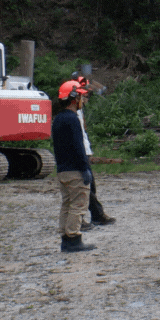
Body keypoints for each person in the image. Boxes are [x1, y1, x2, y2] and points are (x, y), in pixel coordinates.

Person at [52, 80, 96, 252]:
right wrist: (84, 168)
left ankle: (65, 237)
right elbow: (78, 147)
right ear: (73, 97)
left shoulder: (58, 119)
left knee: (67, 204)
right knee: (78, 205)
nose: (83, 100)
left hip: (62, 170)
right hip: (75, 170)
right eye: (81, 96)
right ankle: (73, 239)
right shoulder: (72, 119)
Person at [71, 72, 115, 228]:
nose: (86, 97)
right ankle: (90, 216)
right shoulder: (71, 114)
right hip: (79, 153)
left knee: (90, 185)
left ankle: (96, 215)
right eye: (84, 94)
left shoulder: (79, 111)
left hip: (84, 151)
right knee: (84, 186)